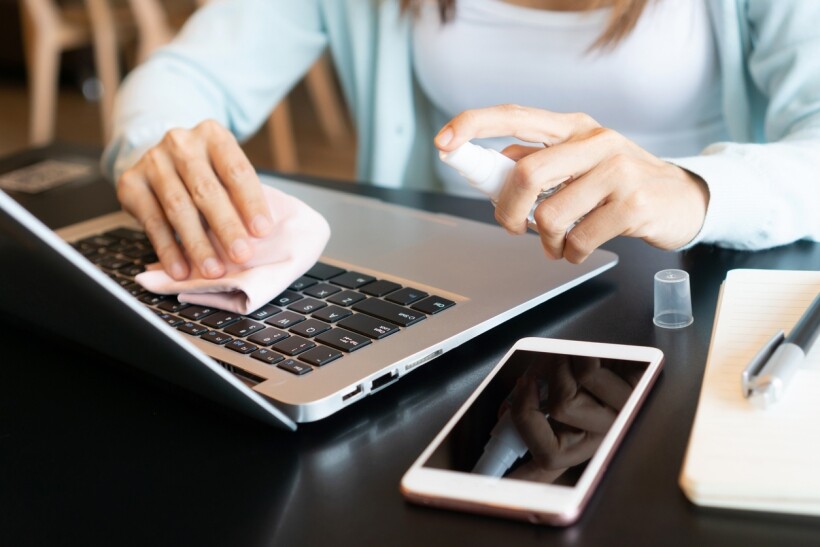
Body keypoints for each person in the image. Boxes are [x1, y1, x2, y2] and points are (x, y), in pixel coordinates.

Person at [103, 0, 820, 280]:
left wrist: (695, 188)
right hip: (446, 292)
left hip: (694, 288)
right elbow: (184, 76)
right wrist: (159, 145)